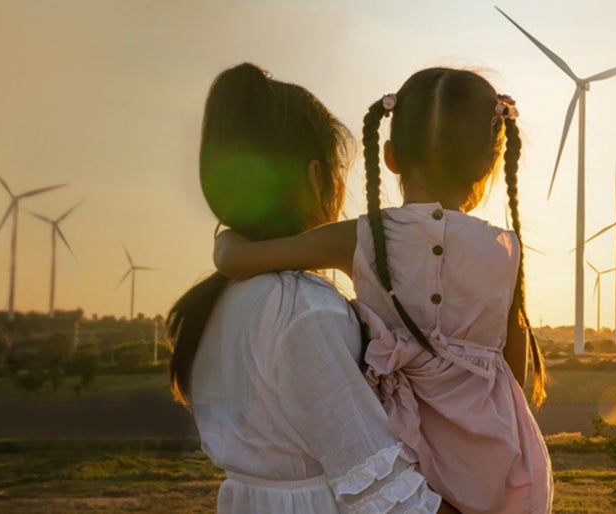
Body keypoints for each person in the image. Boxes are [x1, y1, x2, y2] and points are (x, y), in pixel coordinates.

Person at [214, 67, 553, 513]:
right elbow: (515, 366)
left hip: (402, 443)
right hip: (493, 453)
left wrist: (227, 237)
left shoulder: (367, 236)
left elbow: (237, 262)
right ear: (491, 159)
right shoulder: (504, 249)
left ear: (390, 156)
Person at [168, 63, 445, 514]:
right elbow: (382, 489)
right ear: (316, 175)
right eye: (338, 170)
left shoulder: (217, 303)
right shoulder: (303, 310)